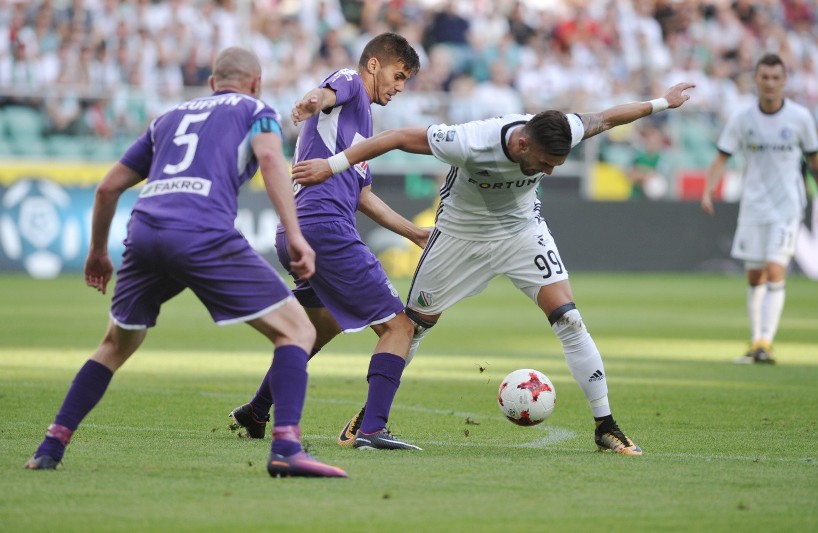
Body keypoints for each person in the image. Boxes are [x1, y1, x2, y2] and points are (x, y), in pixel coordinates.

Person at [292, 82, 697, 455]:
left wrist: (663, 102)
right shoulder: (469, 140)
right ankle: (370, 417)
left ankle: (605, 424)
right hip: (458, 238)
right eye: (544, 163)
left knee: (569, 319)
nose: (549, 171)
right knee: (409, 328)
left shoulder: (561, 130)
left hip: (522, 233)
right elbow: (396, 137)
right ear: (521, 144)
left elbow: (608, 117)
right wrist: (333, 165)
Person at [24, 47, 347, 478]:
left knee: (115, 345)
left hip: (143, 233)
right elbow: (270, 158)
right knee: (299, 329)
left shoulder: (167, 117)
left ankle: (51, 445)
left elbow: (106, 189)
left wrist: (98, 252)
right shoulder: (256, 108)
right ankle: (286, 447)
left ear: (212, 84)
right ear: (255, 83)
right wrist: (296, 235)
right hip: (200, 230)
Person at [227, 32, 429, 451]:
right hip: (324, 227)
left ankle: (257, 409)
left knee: (319, 326)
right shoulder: (351, 83)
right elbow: (327, 92)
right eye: (398, 75)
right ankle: (372, 429)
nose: (399, 87)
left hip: (299, 231)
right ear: (374, 65)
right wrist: (310, 101)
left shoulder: (364, 125)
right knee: (399, 326)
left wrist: (412, 232)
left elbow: (363, 196)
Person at [701, 53, 818, 365]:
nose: (770, 83)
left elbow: (815, 162)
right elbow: (722, 156)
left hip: (788, 206)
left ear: (784, 81)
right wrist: (708, 190)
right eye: (764, 77)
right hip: (754, 206)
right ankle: (757, 341)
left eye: (776, 78)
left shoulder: (800, 118)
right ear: (756, 80)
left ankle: (766, 341)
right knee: (755, 275)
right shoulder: (742, 118)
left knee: (775, 269)